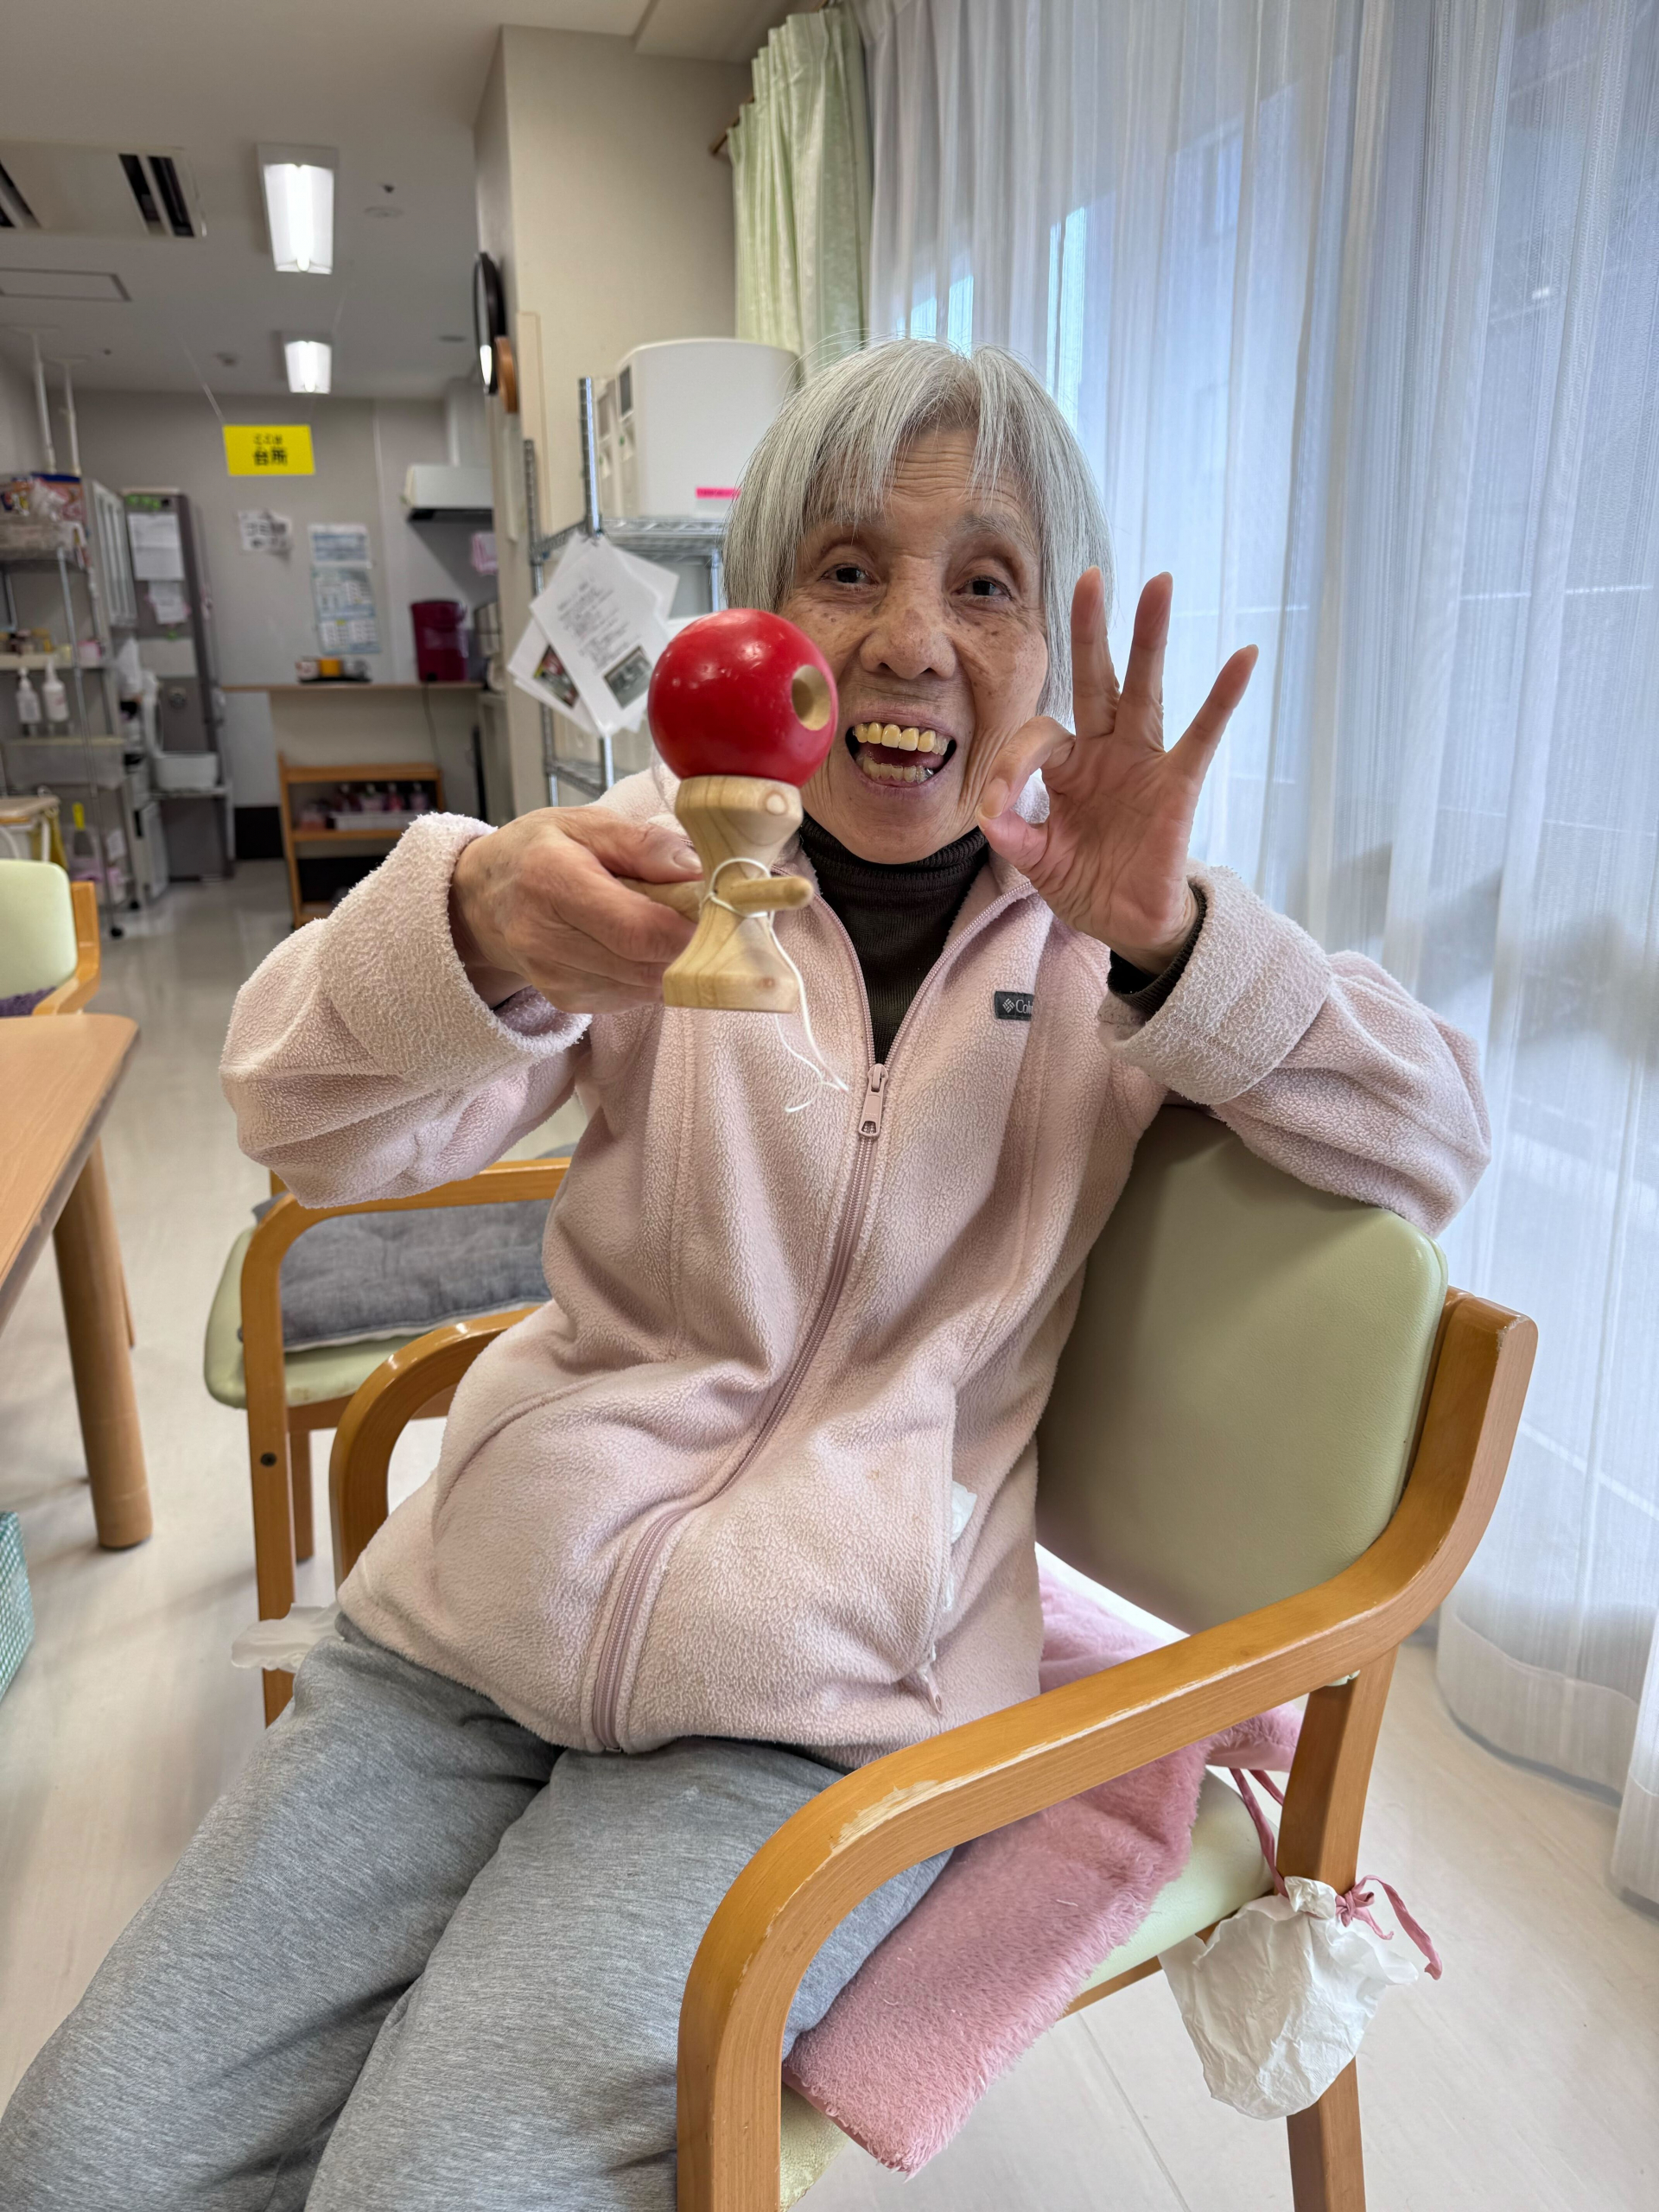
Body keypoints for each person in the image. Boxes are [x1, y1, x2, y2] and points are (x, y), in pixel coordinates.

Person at [2, 341, 1490, 2210]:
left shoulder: (1105, 956)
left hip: (813, 1718)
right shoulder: (652, 870)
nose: (910, 639)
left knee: (432, 2189)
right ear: (763, 620)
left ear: (1047, 657)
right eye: (849, 567)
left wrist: (1178, 940)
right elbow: (295, 1119)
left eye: (987, 584)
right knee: (72, 2164)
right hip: (461, 1642)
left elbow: (1434, 1138)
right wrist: (474, 917)